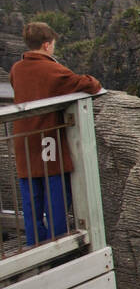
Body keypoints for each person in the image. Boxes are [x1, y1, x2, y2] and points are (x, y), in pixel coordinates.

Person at [9, 22, 103, 245]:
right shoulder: (51, 69)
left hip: (23, 142)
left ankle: (34, 245)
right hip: (48, 143)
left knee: (32, 202)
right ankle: (58, 245)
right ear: (46, 44)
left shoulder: (16, 69)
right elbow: (91, 85)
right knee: (56, 198)